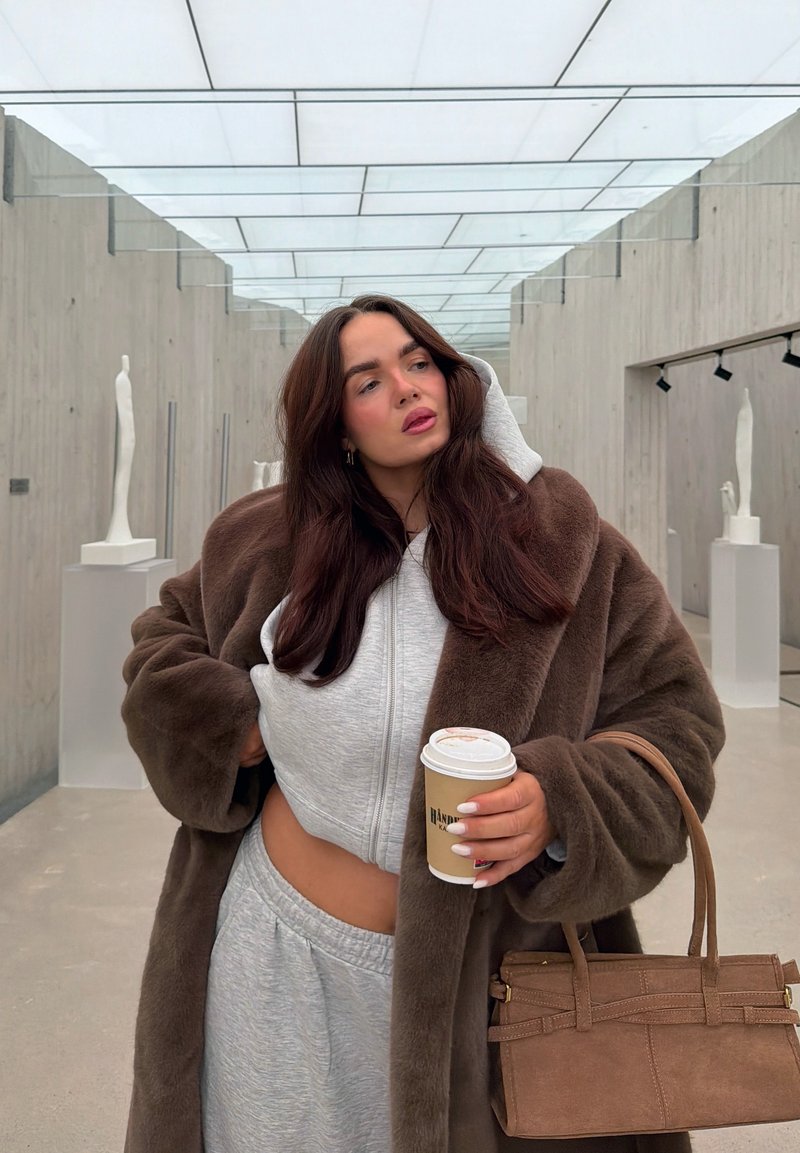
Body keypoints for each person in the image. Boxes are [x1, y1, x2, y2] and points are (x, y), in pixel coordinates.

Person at [121, 295, 725, 1153]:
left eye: (418, 361)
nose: (408, 387)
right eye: (368, 381)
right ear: (337, 425)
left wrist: (560, 803)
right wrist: (232, 727)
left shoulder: (566, 542)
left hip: (488, 984)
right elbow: (162, 639)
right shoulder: (267, 538)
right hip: (272, 957)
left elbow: (679, 720)